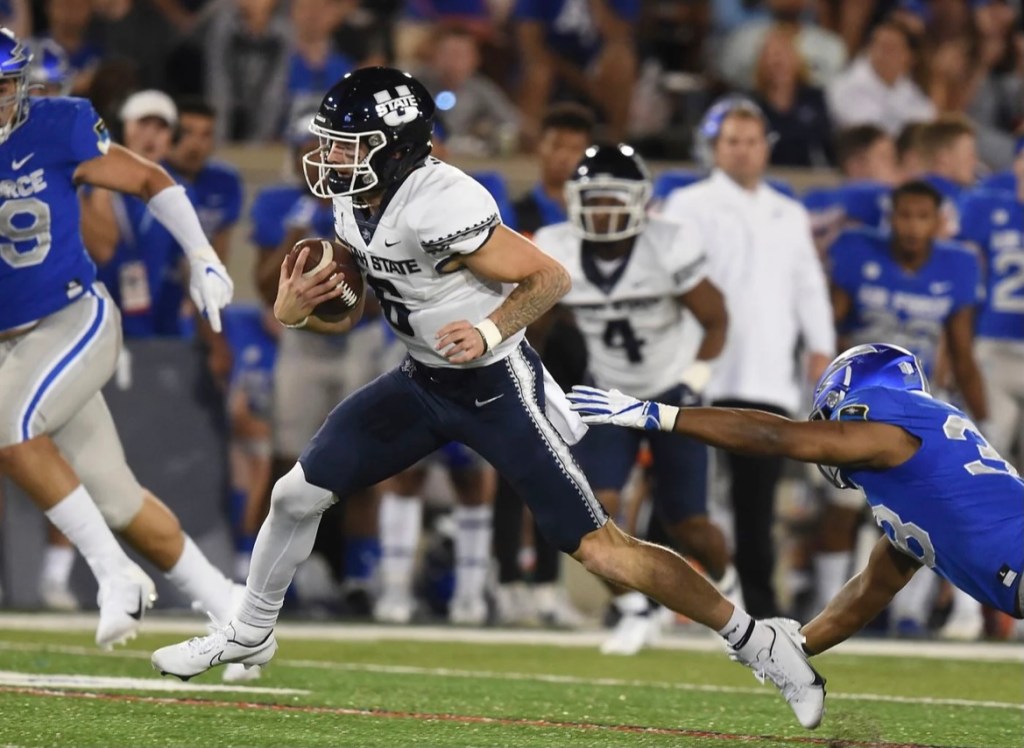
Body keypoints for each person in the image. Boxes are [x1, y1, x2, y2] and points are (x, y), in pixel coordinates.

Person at [151, 67, 826, 730]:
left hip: (494, 385)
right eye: (330, 144)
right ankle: (250, 630)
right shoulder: (355, 200)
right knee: (295, 495)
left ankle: (758, 640)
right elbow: (356, 309)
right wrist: (296, 312)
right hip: (422, 380)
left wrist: (488, 329)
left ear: (396, 146)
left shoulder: (443, 200)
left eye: (347, 146)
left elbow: (548, 277)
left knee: (603, 549)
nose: (330, 159)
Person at [0, 29, 233, 647]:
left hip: (71, 319)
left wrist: (202, 254)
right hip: (12, 346)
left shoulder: (57, 126)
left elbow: (149, 179)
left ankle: (114, 575)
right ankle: (232, 608)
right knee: (117, 500)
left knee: (8, 429)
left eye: (4, 88)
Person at [567, 342, 1024, 656]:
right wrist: (787, 650)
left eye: (830, 418)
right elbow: (865, 594)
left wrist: (658, 415)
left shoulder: (887, 424)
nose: (827, 430)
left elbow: (776, 436)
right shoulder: (912, 486)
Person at [533, 143, 738, 655]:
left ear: (639, 201)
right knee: (590, 515)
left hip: (671, 391)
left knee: (690, 524)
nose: (602, 211)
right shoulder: (555, 247)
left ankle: (731, 595)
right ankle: (635, 611)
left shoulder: (668, 244)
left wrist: (695, 376)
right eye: (593, 199)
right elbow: (534, 324)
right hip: (608, 394)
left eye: (613, 199)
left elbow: (716, 318)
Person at [661, 96, 835, 618]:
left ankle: (759, 605)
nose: (742, 151)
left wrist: (821, 347)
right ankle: (658, 597)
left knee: (756, 504)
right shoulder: (687, 205)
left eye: (751, 141)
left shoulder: (789, 212)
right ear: (714, 147)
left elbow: (808, 287)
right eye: (732, 141)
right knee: (683, 495)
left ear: (766, 147)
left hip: (767, 375)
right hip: (699, 372)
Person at [816, 180, 987, 630]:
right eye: (904, 216)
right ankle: (825, 603)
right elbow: (829, 327)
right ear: (890, 218)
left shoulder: (957, 265)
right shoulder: (858, 252)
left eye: (922, 217)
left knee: (931, 510)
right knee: (840, 506)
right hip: (858, 403)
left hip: (919, 407)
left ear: (938, 222)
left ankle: (910, 613)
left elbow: (962, 350)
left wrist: (980, 416)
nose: (912, 227)